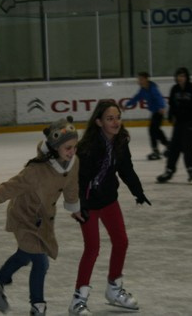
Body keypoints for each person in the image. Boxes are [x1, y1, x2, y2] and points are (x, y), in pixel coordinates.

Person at [0, 117, 85, 316]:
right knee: (40, 261)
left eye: (75, 147)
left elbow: (71, 186)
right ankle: (38, 306)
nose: (72, 152)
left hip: (43, 219)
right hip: (23, 217)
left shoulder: (73, 163)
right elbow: (6, 189)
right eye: (68, 148)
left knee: (25, 255)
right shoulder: (35, 171)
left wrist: (75, 208)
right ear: (55, 147)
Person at [68, 99, 151, 316]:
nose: (115, 122)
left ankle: (114, 289)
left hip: (109, 200)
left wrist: (138, 191)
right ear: (99, 122)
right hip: (88, 204)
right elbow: (78, 179)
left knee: (121, 242)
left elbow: (126, 169)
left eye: (117, 118)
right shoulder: (87, 148)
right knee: (92, 248)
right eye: (109, 119)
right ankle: (78, 300)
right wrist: (78, 205)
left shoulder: (120, 142)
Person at [157, 67, 192, 185]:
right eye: (179, 76)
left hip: (189, 124)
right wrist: (170, 115)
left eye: (183, 76)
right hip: (178, 124)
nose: (180, 78)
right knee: (174, 147)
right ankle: (169, 171)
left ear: (187, 77)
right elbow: (172, 104)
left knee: (188, 148)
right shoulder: (175, 89)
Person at [124, 72, 168, 160]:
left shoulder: (153, 88)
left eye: (141, 79)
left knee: (153, 130)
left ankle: (158, 150)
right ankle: (168, 146)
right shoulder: (143, 90)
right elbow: (136, 98)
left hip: (159, 112)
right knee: (155, 130)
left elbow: (159, 98)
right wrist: (127, 105)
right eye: (138, 79)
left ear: (146, 79)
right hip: (155, 112)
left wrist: (162, 107)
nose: (139, 81)